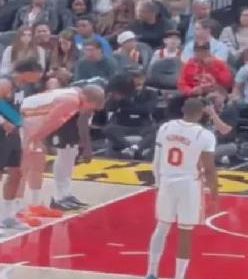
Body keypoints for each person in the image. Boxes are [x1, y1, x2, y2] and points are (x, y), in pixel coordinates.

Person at [143, 97, 218, 279]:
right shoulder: (205, 135)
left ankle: (151, 274)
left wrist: (158, 182)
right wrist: (214, 193)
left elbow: (156, 160)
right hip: (189, 185)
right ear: (202, 113)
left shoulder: (165, 128)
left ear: (183, 109)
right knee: (185, 231)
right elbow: (209, 169)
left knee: (161, 228)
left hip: (166, 181)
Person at [20, 85, 105, 216]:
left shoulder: (78, 97)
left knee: (41, 164)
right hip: (26, 116)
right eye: (92, 107)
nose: (91, 111)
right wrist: (35, 138)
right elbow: (51, 121)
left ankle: (41, 203)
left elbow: (55, 120)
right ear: (87, 99)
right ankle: (17, 208)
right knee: (23, 166)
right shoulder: (71, 101)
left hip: (36, 116)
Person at [0, 59, 43, 229]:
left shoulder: (21, 86)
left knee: (16, 173)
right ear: (29, 71)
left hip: (13, 135)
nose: (39, 77)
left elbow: (10, 108)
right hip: (2, 133)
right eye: (37, 73)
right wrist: (3, 122)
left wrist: (23, 124)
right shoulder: (5, 83)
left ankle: (7, 217)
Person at [104, 71, 158, 158]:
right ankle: (131, 148)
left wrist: (126, 105)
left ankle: (137, 148)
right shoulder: (121, 91)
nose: (137, 80)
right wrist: (118, 99)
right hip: (122, 124)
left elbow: (148, 110)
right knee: (108, 129)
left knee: (156, 131)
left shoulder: (151, 93)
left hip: (142, 124)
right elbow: (110, 108)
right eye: (134, 77)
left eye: (139, 78)